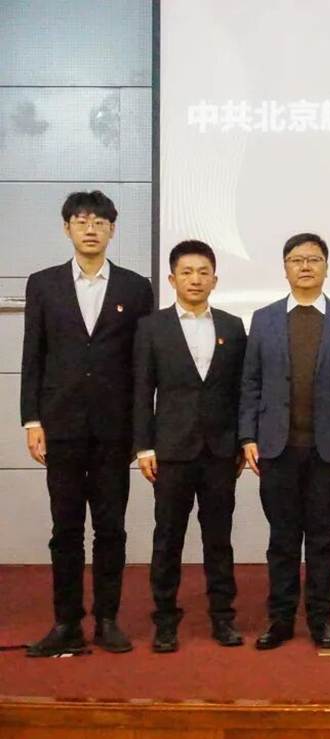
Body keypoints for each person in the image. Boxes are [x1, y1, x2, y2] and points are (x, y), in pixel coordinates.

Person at [21, 190, 154, 657]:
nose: (91, 228)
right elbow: (33, 355)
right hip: (61, 425)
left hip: (114, 429)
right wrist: (31, 420)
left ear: (113, 230)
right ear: (67, 229)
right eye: (81, 221)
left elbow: (142, 367)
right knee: (65, 530)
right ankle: (66, 623)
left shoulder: (136, 288)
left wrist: (142, 432)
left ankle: (107, 620)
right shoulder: (43, 284)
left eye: (99, 221)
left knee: (111, 528)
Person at [239, 233, 330, 651]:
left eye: (314, 259)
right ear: (285, 268)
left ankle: (320, 619)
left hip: (327, 448)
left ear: (327, 267)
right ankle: (279, 619)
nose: (306, 266)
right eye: (297, 260)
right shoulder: (264, 319)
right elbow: (251, 382)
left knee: (323, 539)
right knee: (282, 539)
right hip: (276, 447)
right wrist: (247, 435)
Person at [133, 240, 247, 652]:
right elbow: (142, 390)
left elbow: (241, 390)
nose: (195, 279)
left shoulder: (233, 326)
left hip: (220, 451)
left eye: (203, 272)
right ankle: (165, 621)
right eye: (186, 272)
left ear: (215, 279)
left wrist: (241, 442)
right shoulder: (152, 327)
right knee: (168, 538)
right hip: (171, 450)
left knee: (219, 538)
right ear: (172, 279)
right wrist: (144, 447)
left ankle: (223, 618)